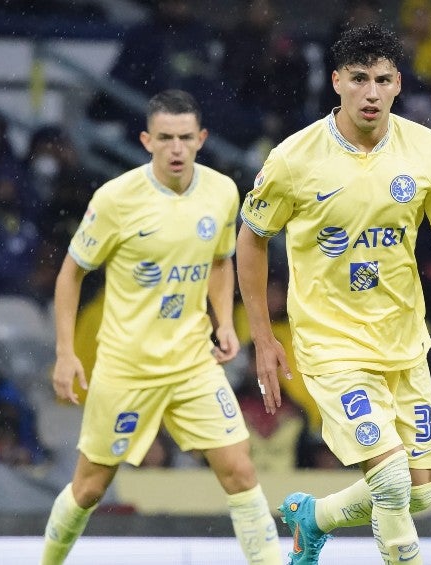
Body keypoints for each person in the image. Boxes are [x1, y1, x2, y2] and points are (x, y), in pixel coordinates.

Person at [237, 24, 431, 565]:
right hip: (333, 346)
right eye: (358, 79)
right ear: (336, 83)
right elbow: (251, 240)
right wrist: (261, 336)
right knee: (392, 480)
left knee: (420, 491)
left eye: (383, 80)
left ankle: (313, 518)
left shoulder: (426, 149)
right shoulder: (293, 158)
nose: (371, 92)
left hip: (404, 343)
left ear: (398, 84)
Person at [40, 90, 281, 565]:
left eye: (186, 138)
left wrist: (222, 320)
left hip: (193, 361)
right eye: (165, 138)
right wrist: (65, 353)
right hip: (126, 367)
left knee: (239, 470)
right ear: (147, 140)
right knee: (89, 488)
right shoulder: (115, 200)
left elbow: (220, 260)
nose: (176, 148)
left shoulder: (222, 192)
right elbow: (71, 274)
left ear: (202, 139)